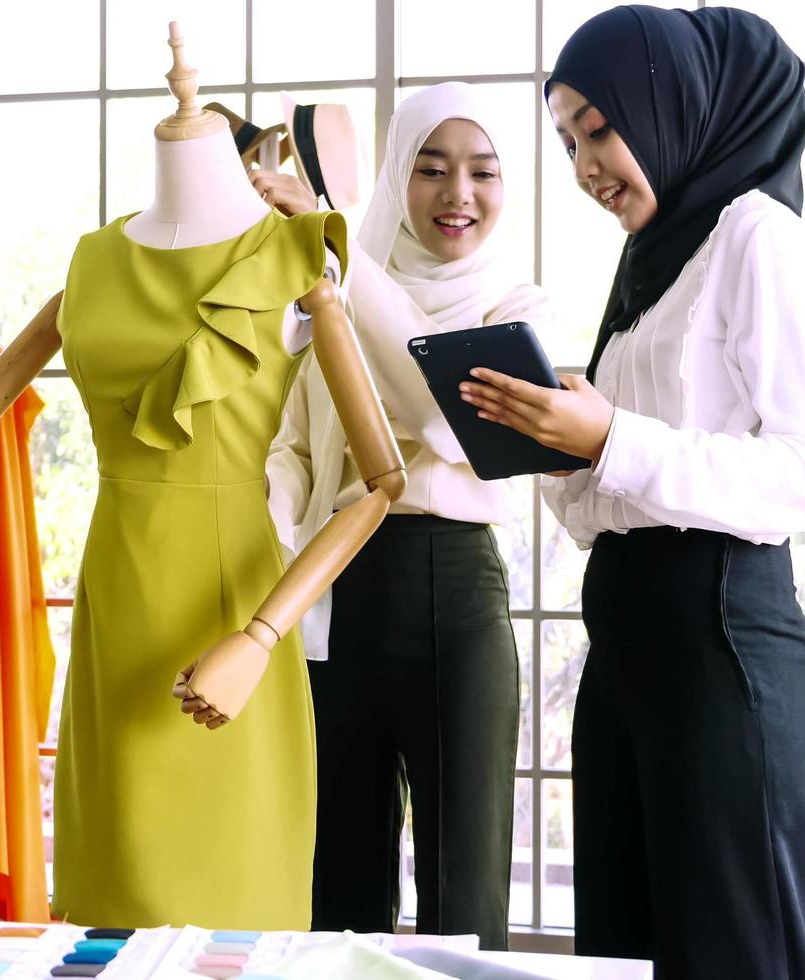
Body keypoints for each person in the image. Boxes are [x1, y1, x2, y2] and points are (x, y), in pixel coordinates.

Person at [460, 8, 805, 977]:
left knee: (728, 958)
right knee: (621, 958)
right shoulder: (648, 264)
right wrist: (566, 458)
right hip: (629, 663)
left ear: (668, 103)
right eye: (565, 142)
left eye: (600, 127)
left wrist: (613, 439)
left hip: (723, 656)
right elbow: (619, 499)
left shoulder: (756, 235)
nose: (586, 163)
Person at [259, 82, 549, 950]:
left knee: (465, 885)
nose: (458, 194)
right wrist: (277, 567)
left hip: (455, 587)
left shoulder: (516, 306)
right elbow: (293, 452)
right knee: (337, 879)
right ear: (397, 175)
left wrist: (338, 267)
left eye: (482, 172)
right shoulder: (320, 297)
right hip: (337, 587)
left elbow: (443, 417)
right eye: (430, 169)